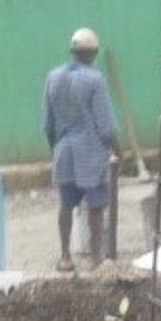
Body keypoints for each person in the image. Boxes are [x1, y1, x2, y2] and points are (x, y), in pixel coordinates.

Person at [42, 27, 121, 270]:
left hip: (64, 150)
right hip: (91, 153)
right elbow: (106, 126)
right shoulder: (95, 79)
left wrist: (55, 149)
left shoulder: (53, 77)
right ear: (94, 53)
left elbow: (48, 124)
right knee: (95, 206)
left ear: (72, 51)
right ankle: (97, 259)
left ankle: (65, 256)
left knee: (66, 205)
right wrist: (119, 150)